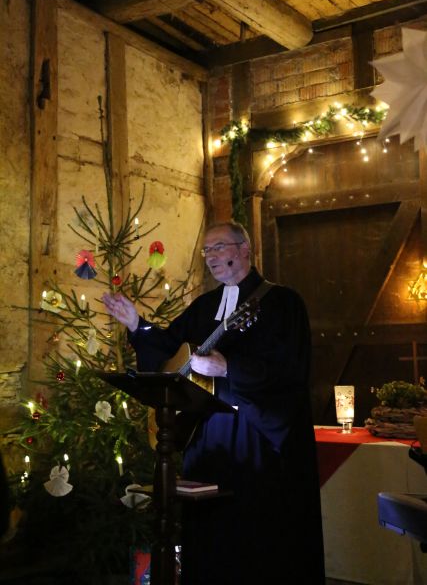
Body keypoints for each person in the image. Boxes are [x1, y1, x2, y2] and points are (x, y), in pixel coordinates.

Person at [103, 221, 325, 585]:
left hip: (257, 444)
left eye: (219, 247)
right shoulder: (204, 307)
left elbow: (290, 371)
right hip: (206, 441)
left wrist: (230, 367)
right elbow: (169, 352)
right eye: (206, 251)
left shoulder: (283, 303)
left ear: (244, 250)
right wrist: (136, 324)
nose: (211, 257)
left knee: (256, 544)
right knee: (210, 542)